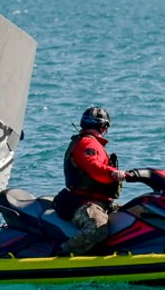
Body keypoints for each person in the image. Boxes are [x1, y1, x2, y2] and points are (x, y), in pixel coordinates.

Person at [53, 106, 154, 255]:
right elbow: (95, 168)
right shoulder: (87, 143)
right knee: (97, 228)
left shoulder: (90, 143)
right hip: (84, 203)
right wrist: (115, 173)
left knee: (137, 212)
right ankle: (61, 254)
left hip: (101, 202)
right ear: (104, 126)